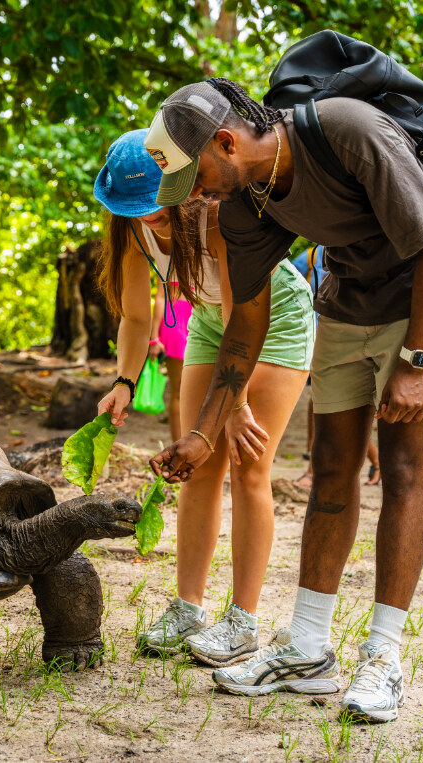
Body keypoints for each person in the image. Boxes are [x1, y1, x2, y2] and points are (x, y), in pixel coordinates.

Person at [143, 78, 423, 722]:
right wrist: (203, 433)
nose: (197, 195)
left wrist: (415, 363)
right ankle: (307, 648)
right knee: (331, 465)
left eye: (197, 177)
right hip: (349, 299)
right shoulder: (244, 204)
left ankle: (383, 657)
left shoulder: (346, 129)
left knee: (402, 468)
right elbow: (245, 325)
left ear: (226, 142)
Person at [92, 129, 315, 667]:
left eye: (155, 205)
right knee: (194, 464)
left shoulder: (216, 219)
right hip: (212, 322)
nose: (149, 217)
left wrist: (234, 408)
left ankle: (242, 620)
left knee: (248, 464)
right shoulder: (133, 228)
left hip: (272, 320)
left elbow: (246, 319)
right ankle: (188, 607)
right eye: (135, 208)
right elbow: (137, 317)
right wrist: (124, 382)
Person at [292, 244, 380, 488]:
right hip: (321, 337)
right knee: (325, 402)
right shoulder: (311, 256)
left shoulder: (367, 246)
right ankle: (315, 469)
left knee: (348, 405)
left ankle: (374, 461)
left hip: (361, 335)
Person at [149, 260, 191, 443]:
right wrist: (154, 338)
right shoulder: (168, 256)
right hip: (176, 318)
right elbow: (160, 296)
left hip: (204, 316)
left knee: (203, 389)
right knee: (179, 389)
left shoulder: (211, 249)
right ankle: (179, 447)